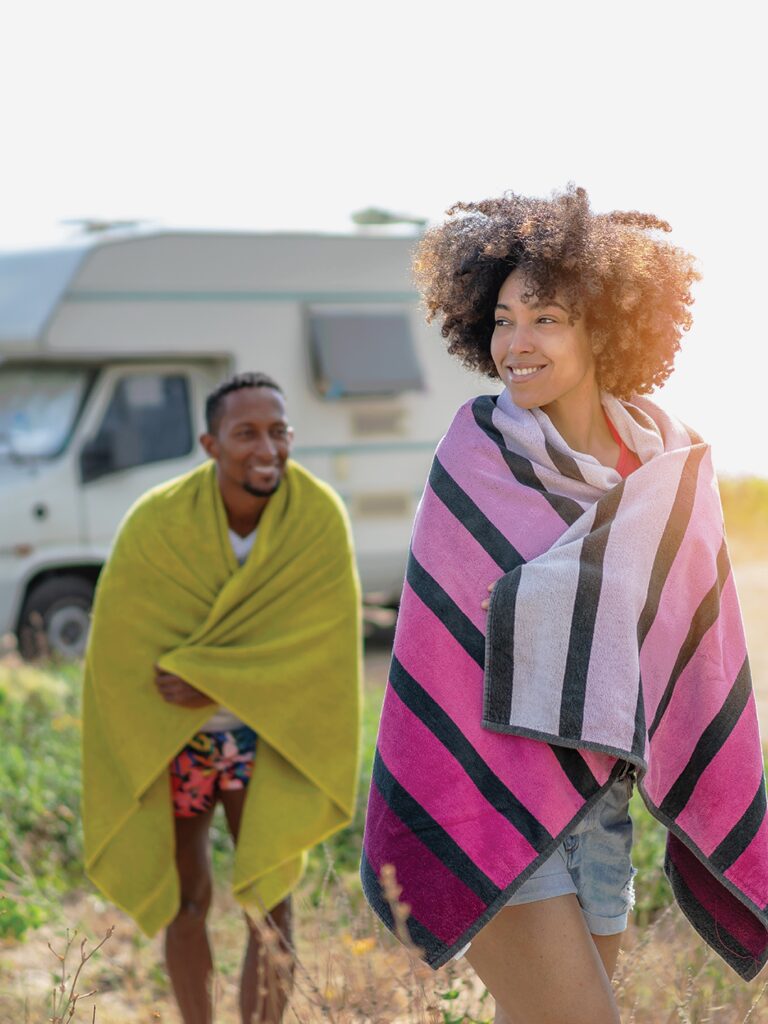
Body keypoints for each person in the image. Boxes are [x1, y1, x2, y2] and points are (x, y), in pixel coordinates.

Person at [361, 186, 768, 1023]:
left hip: (603, 809)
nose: (516, 342)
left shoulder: (673, 467)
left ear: (604, 328)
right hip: (484, 799)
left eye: (544, 318)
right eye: (504, 319)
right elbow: (443, 645)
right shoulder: (476, 456)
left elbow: (699, 647)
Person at [82, 372, 361, 1024]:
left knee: (273, 899)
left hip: (269, 738)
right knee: (186, 897)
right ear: (211, 443)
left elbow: (323, 652)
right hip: (176, 738)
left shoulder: (317, 517)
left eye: (278, 431)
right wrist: (191, 682)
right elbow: (119, 646)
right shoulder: (156, 521)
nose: (266, 448)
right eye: (246, 434)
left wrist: (217, 679)